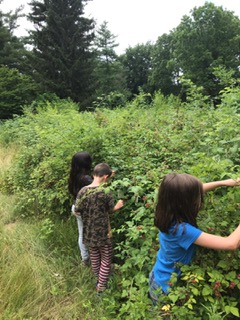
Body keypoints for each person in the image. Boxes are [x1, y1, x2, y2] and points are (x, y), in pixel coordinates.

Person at [149, 173, 240, 304]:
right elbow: (230, 244)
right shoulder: (182, 230)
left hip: (158, 275)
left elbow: (190, 192)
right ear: (185, 202)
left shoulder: (165, 208)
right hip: (166, 287)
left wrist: (223, 182)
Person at [75, 163, 124, 293]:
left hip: (88, 232)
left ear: (94, 174)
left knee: (95, 257)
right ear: (105, 177)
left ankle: (98, 278)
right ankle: (101, 287)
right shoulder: (105, 192)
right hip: (103, 233)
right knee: (106, 259)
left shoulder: (83, 191)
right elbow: (110, 210)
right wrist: (118, 206)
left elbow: (77, 210)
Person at [68, 151, 93, 266]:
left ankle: (85, 259)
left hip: (76, 207)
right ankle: (95, 260)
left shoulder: (73, 176)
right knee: (92, 234)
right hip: (86, 210)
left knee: (82, 233)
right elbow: (97, 189)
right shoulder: (86, 179)